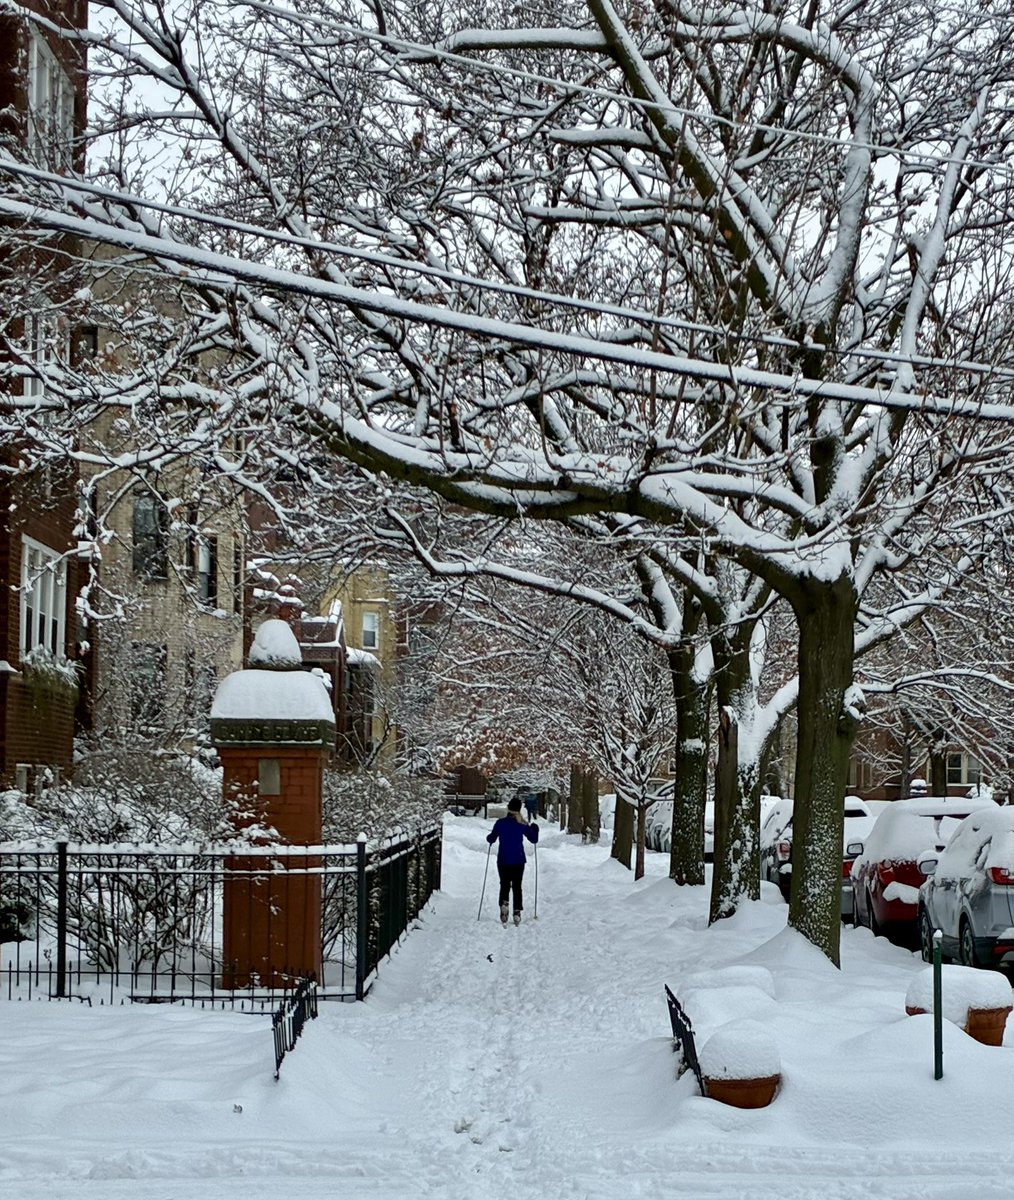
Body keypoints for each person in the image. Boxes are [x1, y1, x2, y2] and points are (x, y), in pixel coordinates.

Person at [487, 796, 539, 925]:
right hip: (518, 859)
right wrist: (535, 829)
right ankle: (517, 911)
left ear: (508, 809)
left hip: (503, 859)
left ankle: (504, 905)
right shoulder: (522, 825)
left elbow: (491, 838)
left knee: (504, 884)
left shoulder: (500, 823)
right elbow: (533, 839)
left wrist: (490, 838)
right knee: (517, 886)